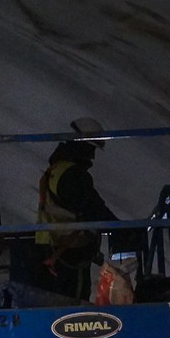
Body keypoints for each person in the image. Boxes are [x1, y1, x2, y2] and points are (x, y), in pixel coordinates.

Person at [35, 117, 119, 300]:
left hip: (53, 248)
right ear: (81, 145)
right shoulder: (72, 175)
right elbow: (93, 208)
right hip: (70, 251)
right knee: (76, 303)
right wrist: (121, 229)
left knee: (60, 304)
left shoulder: (55, 170)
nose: (92, 156)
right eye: (91, 149)